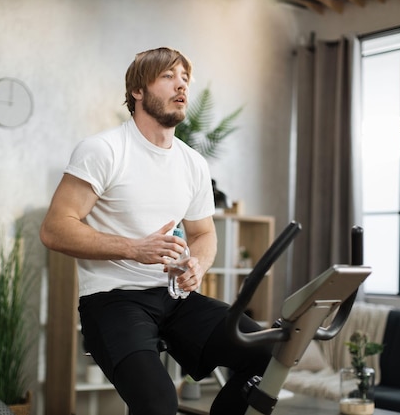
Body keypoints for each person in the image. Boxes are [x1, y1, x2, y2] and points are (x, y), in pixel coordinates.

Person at [40, 47, 271, 415]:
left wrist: (197, 265)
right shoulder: (104, 150)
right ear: (137, 91)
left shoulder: (192, 163)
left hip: (173, 298)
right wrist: (133, 249)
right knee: (159, 404)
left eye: (184, 78)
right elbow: (54, 229)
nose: (181, 85)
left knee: (268, 350)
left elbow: (203, 234)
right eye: (168, 76)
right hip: (113, 300)